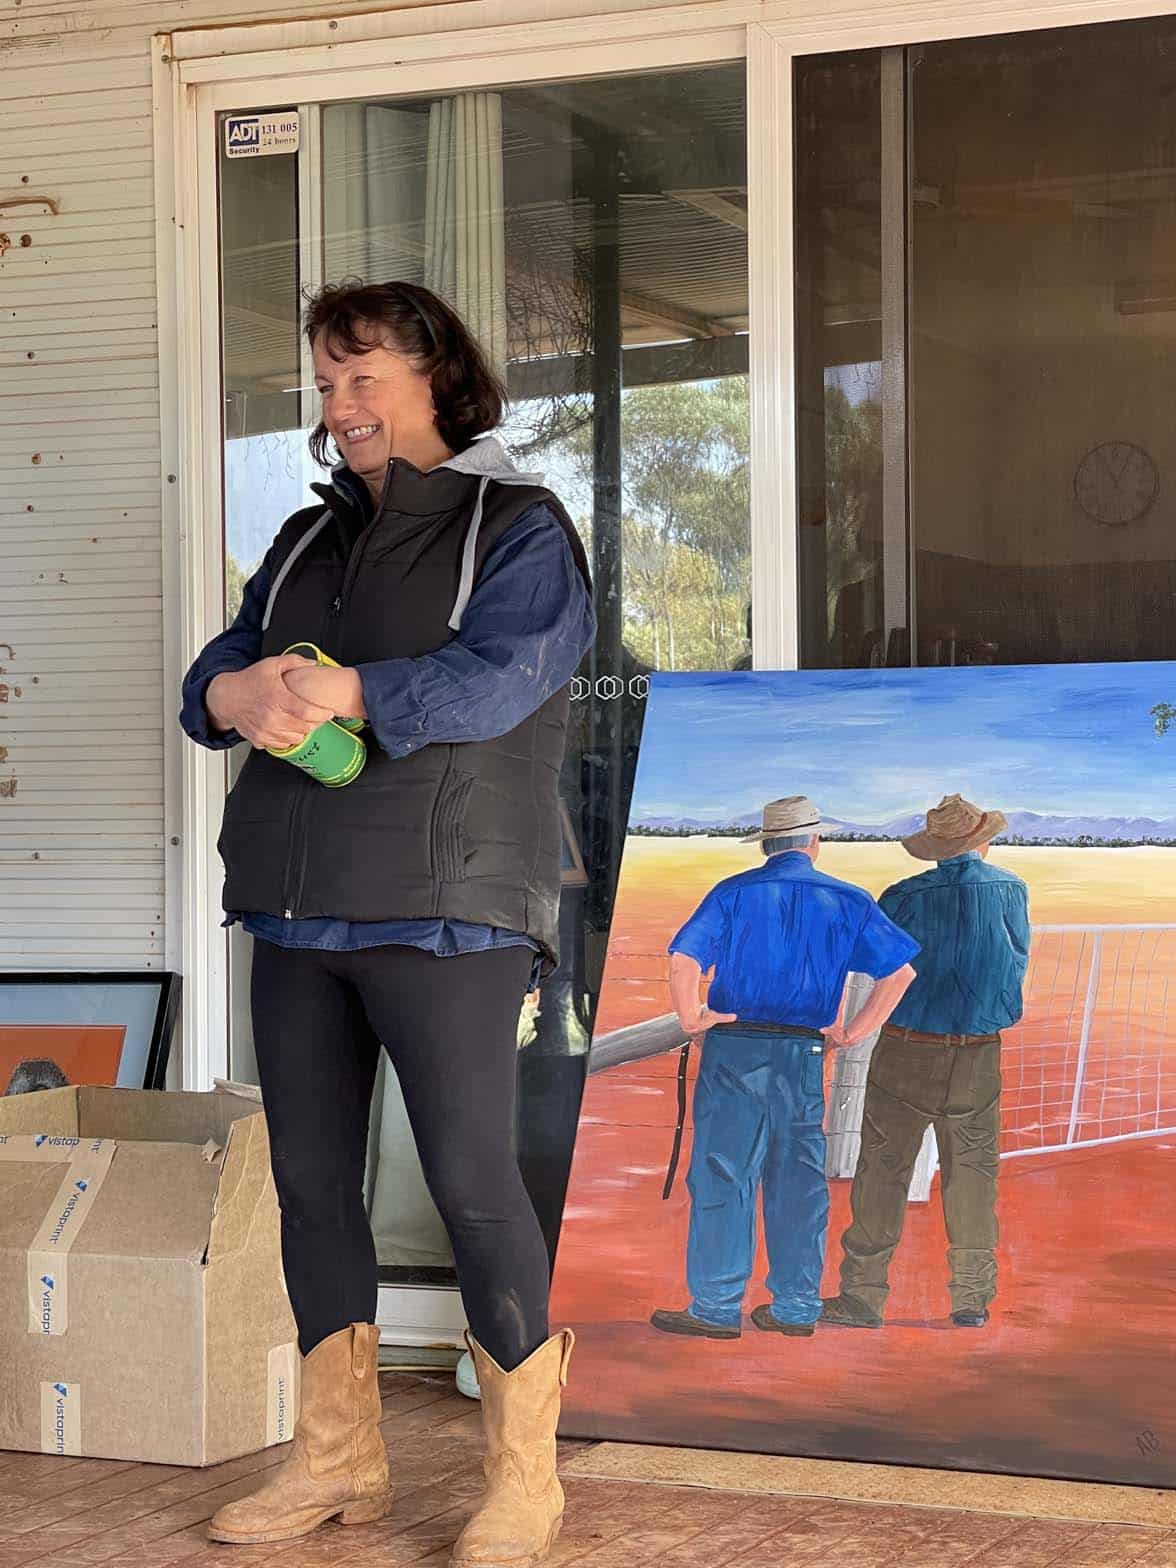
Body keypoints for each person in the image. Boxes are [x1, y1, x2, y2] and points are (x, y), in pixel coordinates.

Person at [180, 279, 595, 1564]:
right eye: (325, 380)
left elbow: (506, 676)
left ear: (435, 379)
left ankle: (524, 1480)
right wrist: (236, 693)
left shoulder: (516, 525)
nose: (340, 403)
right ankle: (338, 1460)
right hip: (297, 908)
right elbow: (222, 667)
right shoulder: (307, 535)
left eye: (363, 375)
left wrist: (348, 688)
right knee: (311, 1184)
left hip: (445, 906)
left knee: (472, 1181)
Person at [649, 796, 918, 1340]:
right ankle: (796, 1308)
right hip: (803, 1053)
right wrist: (852, 1033)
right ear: (814, 842)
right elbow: (900, 973)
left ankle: (716, 1307)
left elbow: (683, 959)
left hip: (734, 1047)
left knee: (724, 1174)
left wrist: (692, 1017)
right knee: (799, 1180)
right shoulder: (848, 899)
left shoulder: (732, 892)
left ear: (767, 845)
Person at [822, 794, 1030, 1331]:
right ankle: (972, 1298)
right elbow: (1016, 965)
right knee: (973, 1175)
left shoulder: (902, 896)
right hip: (979, 1051)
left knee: (882, 1171)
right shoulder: (1011, 890)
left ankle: (862, 1296)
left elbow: (868, 961)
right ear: (981, 841)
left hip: (907, 1047)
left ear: (935, 848)